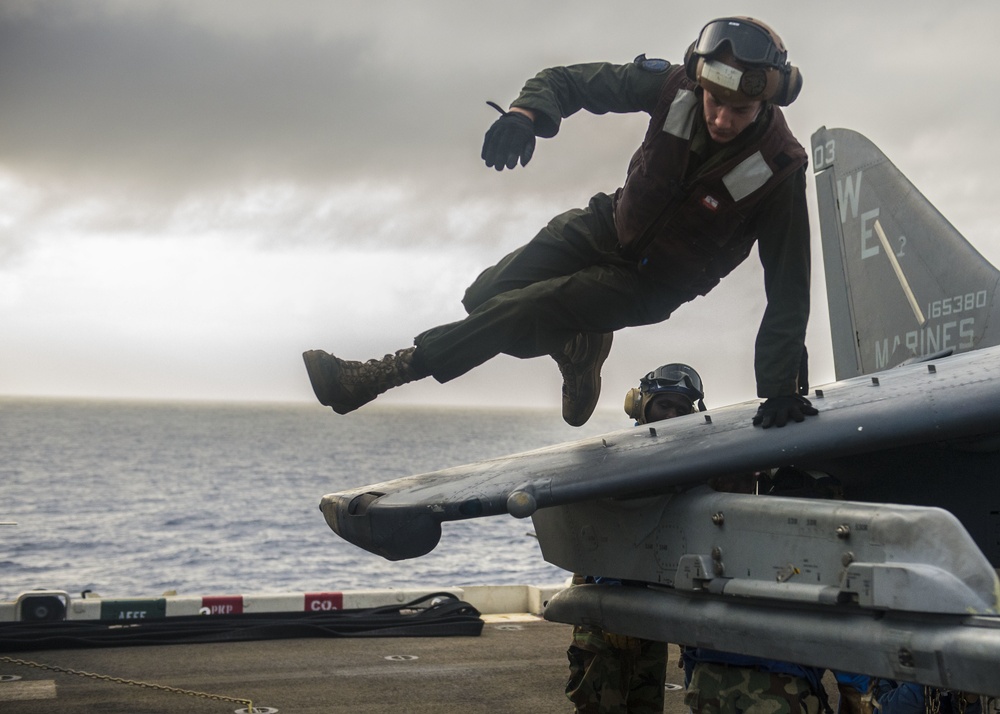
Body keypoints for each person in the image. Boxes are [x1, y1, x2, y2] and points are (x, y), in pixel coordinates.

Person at [303, 16, 818, 430]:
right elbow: (568, 81)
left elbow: (789, 288)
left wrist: (779, 390)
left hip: (651, 283)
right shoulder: (673, 85)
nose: (723, 119)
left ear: (767, 99)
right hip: (607, 223)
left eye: (741, 109)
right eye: (715, 101)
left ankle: (376, 376)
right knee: (484, 299)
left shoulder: (780, 168)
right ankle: (576, 345)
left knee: (521, 308)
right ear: (699, 81)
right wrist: (525, 114)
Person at [565, 363, 706, 713]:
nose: (672, 415)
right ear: (641, 405)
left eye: (681, 408)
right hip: (606, 609)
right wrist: (613, 610)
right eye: (664, 405)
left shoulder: (688, 463)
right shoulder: (614, 457)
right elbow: (597, 532)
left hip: (650, 612)